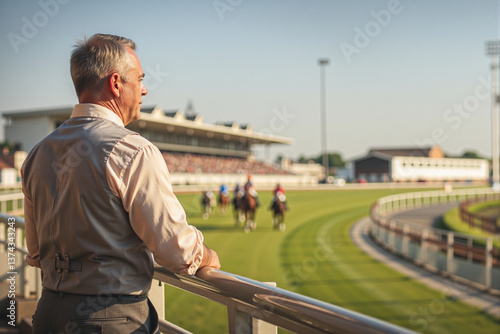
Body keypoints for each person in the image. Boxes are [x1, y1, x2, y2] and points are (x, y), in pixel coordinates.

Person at [21, 33, 220, 333]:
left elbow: (35, 252)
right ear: (116, 84)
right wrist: (205, 255)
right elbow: (175, 249)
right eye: (139, 79)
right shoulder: (133, 150)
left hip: (48, 312)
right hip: (110, 318)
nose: (144, 90)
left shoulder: (37, 152)